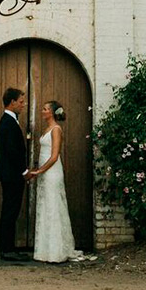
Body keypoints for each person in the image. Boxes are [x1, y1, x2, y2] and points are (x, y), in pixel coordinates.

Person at [26, 100, 87, 263]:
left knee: (53, 206)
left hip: (52, 172)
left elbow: (54, 156)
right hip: (45, 172)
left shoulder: (56, 129)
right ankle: (45, 250)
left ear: (52, 113)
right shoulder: (47, 129)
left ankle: (56, 251)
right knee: (46, 206)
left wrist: (39, 170)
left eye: (45, 109)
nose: (42, 111)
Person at [0, 87, 31, 262]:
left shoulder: (10, 121)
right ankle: (7, 250)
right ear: (12, 102)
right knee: (10, 211)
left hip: (10, 174)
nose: (23, 105)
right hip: (12, 175)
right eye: (21, 102)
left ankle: (8, 248)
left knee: (10, 211)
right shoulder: (7, 123)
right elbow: (12, 151)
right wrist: (24, 171)